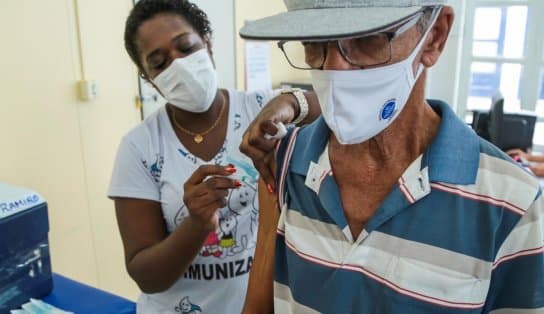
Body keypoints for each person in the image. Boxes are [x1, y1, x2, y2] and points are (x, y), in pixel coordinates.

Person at [238, 1, 544, 313]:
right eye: (313, 44)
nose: (334, 69)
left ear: (434, 36)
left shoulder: (513, 205)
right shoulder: (285, 162)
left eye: (368, 38)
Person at [108, 0, 319, 313]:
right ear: (148, 77)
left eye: (185, 47)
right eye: (159, 62)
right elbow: (146, 276)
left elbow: (331, 106)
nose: (177, 64)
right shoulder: (140, 147)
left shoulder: (258, 109)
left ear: (207, 42)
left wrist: (290, 101)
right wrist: (196, 224)